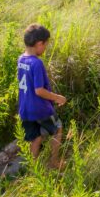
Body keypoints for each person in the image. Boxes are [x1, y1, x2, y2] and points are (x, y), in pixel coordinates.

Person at [17, 23, 66, 170]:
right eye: (45, 45)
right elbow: (39, 90)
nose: (45, 48)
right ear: (39, 43)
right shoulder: (36, 63)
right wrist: (57, 97)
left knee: (36, 138)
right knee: (57, 129)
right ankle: (54, 162)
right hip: (40, 108)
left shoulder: (21, 59)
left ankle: (35, 169)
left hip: (25, 109)